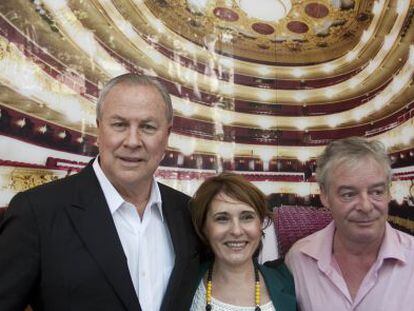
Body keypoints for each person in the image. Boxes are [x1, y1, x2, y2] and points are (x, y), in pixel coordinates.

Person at [0, 73, 200, 311]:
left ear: (167, 136)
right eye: (119, 125)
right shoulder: (36, 211)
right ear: (99, 130)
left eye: (147, 127)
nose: (133, 141)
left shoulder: (189, 214)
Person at [285, 137, 414, 311]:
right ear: (324, 196)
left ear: (389, 192)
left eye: (376, 191)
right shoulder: (298, 259)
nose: (366, 206)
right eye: (348, 194)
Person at [189, 173, 296, 311]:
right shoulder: (183, 285)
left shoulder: (290, 285)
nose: (236, 231)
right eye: (222, 218)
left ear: (260, 224)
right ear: (204, 227)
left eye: (247, 217)